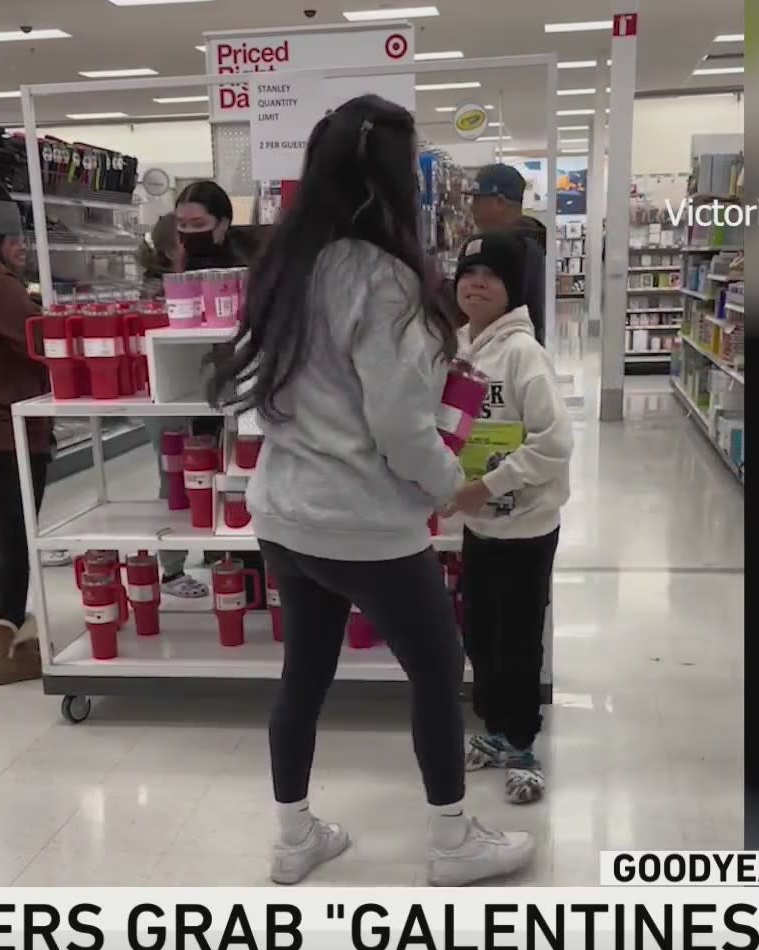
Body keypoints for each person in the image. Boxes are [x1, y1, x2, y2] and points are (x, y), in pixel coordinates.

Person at [207, 94, 535, 887]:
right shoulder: (384, 279)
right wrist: (457, 485)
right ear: (397, 181)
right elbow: (397, 428)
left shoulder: (285, 266)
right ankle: (453, 841)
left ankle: (294, 839)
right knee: (437, 665)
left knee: (304, 674)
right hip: (365, 522)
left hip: (286, 513)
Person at [446, 231, 574, 806]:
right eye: (468, 272)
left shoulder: (524, 353)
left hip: (525, 524)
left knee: (519, 639)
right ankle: (494, 733)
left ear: (511, 289)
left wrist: (490, 484)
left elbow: (555, 442)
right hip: (479, 524)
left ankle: (523, 745)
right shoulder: (456, 347)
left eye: (491, 276)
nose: (476, 283)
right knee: (481, 633)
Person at [138, 180, 258, 601]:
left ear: (223, 223)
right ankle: (170, 570)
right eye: (182, 223)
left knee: (236, 474)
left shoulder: (248, 267)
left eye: (199, 222)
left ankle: (233, 559)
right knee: (177, 478)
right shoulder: (168, 269)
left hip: (238, 393)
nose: (189, 231)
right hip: (180, 391)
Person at [0, 178, 53, 685]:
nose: (22, 246)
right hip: (8, 430)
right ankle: (11, 649)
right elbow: (36, 337)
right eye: (16, 238)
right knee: (14, 539)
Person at [467, 164, 548, 343]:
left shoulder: (514, 250)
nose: (472, 208)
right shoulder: (529, 242)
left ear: (499, 202)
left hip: (505, 357)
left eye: (478, 200)